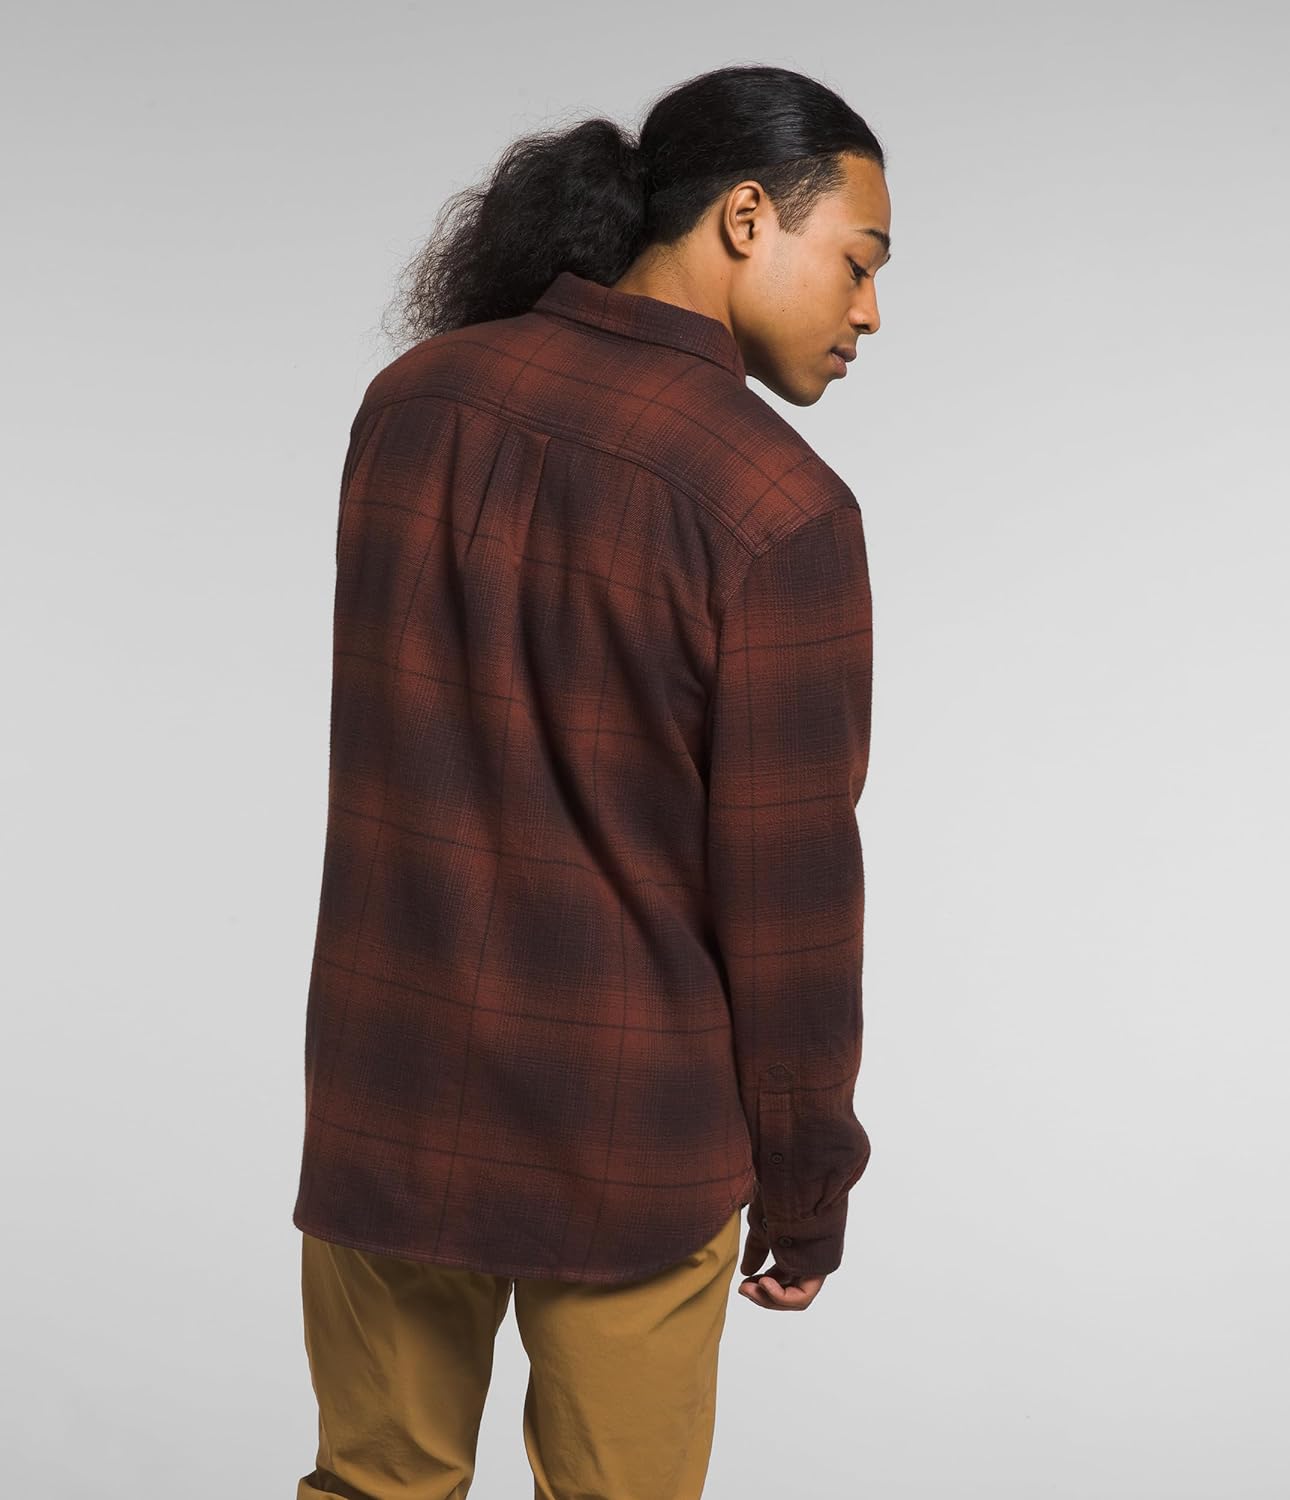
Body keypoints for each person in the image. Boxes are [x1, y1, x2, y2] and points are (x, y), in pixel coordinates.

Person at [292, 61, 891, 1500]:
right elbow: (791, 900)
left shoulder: (411, 404)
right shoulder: (775, 505)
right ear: (745, 217)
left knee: (370, 1489)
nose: (870, 311)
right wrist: (806, 1182)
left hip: (388, 1098)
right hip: (633, 1138)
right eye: (859, 260)